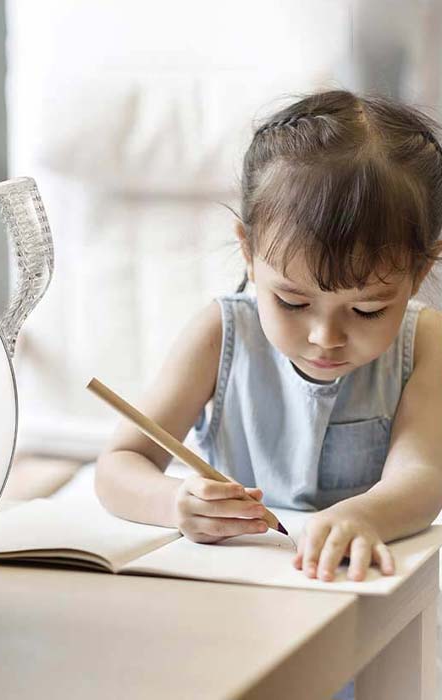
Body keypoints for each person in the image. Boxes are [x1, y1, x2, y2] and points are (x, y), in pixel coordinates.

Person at [95, 89, 442, 586]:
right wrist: (175, 501)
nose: (326, 338)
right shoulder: (219, 333)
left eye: (367, 310)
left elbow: (423, 478)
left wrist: (365, 516)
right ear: (249, 250)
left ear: (420, 268)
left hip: (353, 589)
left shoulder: (426, 340)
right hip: (229, 584)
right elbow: (118, 466)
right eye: (293, 303)